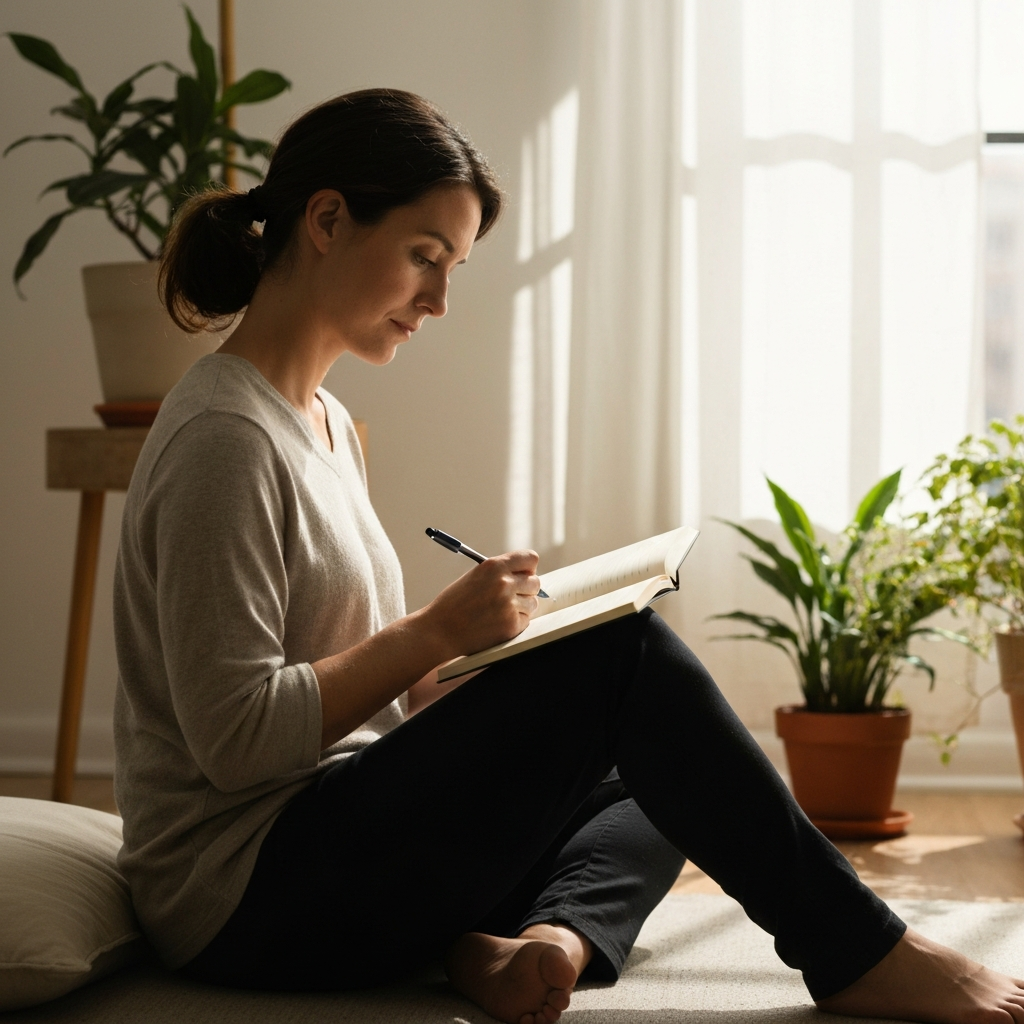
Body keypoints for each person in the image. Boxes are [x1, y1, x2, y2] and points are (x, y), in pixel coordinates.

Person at [113, 88, 1024, 1024]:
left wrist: (472, 671)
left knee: (655, 766)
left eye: (452, 267)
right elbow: (233, 743)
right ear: (329, 220)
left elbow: (336, 688)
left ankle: (543, 943)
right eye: (426, 257)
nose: (438, 299)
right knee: (629, 667)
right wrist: (433, 631)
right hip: (238, 898)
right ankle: (859, 948)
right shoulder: (225, 436)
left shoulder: (326, 422)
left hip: (326, 844)